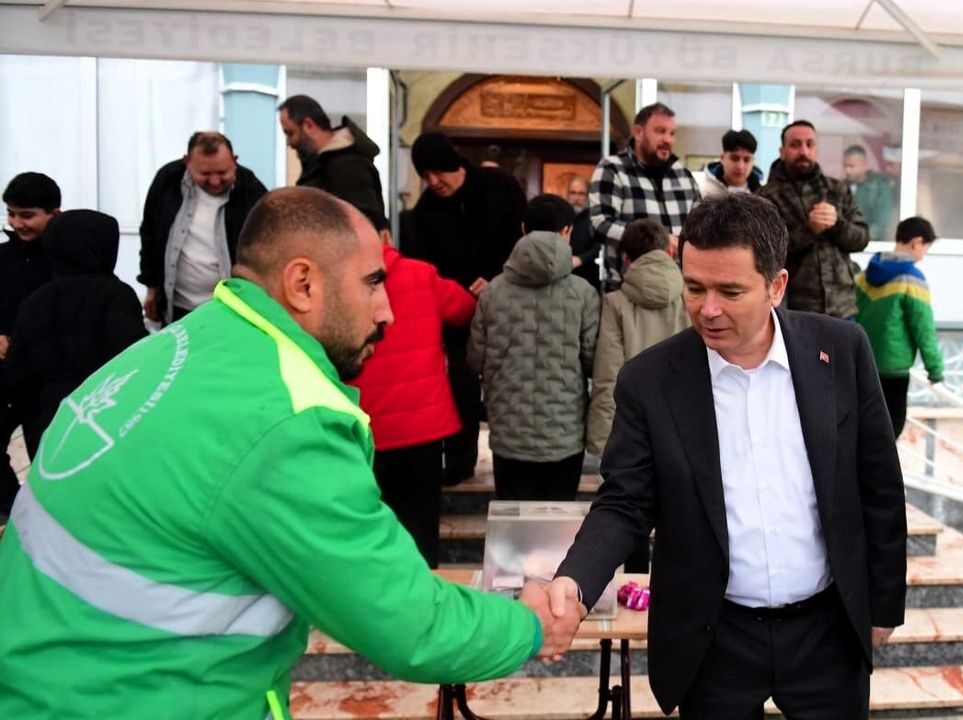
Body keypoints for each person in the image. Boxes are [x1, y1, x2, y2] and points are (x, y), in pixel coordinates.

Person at [0, 187, 576, 719]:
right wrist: (527, 625)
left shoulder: (187, 343)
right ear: (303, 284)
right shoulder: (284, 420)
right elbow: (410, 624)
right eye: (373, 282)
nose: (387, 310)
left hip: (59, 684)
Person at [538, 193, 907, 719]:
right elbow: (624, 503)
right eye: (694, 287)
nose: (707, 309)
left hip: (828, 631)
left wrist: (883, 602)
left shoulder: (841, 350)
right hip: (713, 639)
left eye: (730, 291)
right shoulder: (650, 380)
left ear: (776, 286)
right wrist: (574, 582)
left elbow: (879, 485)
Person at [348, 218, 476, 568]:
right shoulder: (421, 274)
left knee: (369, 526)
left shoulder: (337, 282)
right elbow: (464, 309)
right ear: (387, 236)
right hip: (422, 427)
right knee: (420, 526)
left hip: (364, 426)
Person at [406, 130, 526, 483]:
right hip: (457, 314)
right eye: (425, 175)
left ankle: (515, 463)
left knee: (513, 385)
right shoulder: (426, 210)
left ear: (452, 163)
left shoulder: (499, 187)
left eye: (437, 171)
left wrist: (498, 278)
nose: (433, 181)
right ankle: (460, 462)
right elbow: (426, 266)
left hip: (507, 307)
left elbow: (523, 242)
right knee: (459, 386)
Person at [467, 194, 599, 501]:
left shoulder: (493, 291)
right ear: (567, 232)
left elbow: (475, 359)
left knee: (513, 519)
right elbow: (593, 360)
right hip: (564, 434)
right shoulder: (583, 293)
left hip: (508, 434)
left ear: (523, 229)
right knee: (559, 519)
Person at [5, 210, 146, 454]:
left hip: (45, 430)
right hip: (102, 422)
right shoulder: (115, 296)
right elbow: (132, 361)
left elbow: (17, 377)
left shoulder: (34, 302)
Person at [139, 131, 269, 325]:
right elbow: (149, 233)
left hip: (230, 308)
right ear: (187, 162)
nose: (215, 181)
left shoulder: (252, 190)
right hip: (177, 307)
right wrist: (151, 288)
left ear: (234, 161)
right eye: (205, 174)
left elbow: (265, 250)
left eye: (222, 173)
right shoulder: (167, 180)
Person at [586, 218, 690, 457]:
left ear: (626, 259)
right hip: (685, 423)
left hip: (632, 428)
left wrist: (602, 442)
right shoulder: (691, 297)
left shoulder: (615, 303)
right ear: (670, 251)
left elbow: (608, 376)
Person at [760, 121, 869, 319]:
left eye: (809, 144)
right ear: (782, 151)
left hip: (843, 306)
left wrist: (837, 224)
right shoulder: (766, 197)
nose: (804, 151)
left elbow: (861, 239)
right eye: (795, 145)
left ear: (816, 150)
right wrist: (809, 230)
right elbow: (765, 254)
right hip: (795, 309)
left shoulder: (837, 189)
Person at [589, 103, 701, 291]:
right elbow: (600, 224)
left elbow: (700, 226)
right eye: (660, 131)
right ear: (638, 132)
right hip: (628, 290)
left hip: (678, 289)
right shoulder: (613, 169)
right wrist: (658, 241)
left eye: (672, 133)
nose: (667, 140)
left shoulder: (682, 174)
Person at [0, 172, 59, 519]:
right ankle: (12, 509)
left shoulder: (64, 260)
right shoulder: (4, 257)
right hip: (6, 373)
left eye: (27, 215)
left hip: (44, 379)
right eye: (11, 214)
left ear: (54, 213)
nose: (16, 223)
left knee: (48, 456)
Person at [854, 216, 944, 437]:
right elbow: (923, 328)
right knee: (890, 430)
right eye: (926, 248)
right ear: (916, 242)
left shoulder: (864, 276)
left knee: (865, 430)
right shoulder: (913, 279)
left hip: (864, 364)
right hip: (894, 369)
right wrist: (935, 370)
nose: (924, 254)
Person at [277, 94, 386, 226]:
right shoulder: (323, 163)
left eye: (290, 133)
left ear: (309, 125)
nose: (289, 142)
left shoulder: (347, 166)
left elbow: (363, 222)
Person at [843, 145, 894, 244]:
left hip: (873, 244)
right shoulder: (843, 186)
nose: (847, 171)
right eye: (845, 166)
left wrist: (860, 238)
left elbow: (881, 223)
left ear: (865, 165)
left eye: (851, 166)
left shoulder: (879, 186)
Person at [565, 175, 602, 293]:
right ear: (567, 194)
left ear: (587, 196)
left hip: (589, 279)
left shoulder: (595, 218)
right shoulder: (560, 216)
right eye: (573, 193)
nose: (576, 198)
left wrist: (581, 259)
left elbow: (600, 243)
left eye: (581, 194)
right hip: (564, 279)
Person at [702, 129, 762, 197]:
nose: (740, 166)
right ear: (722, 158)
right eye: (734, 158)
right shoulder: (702, 191)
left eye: (747, 160)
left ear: (753, 161)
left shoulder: (763, 194)